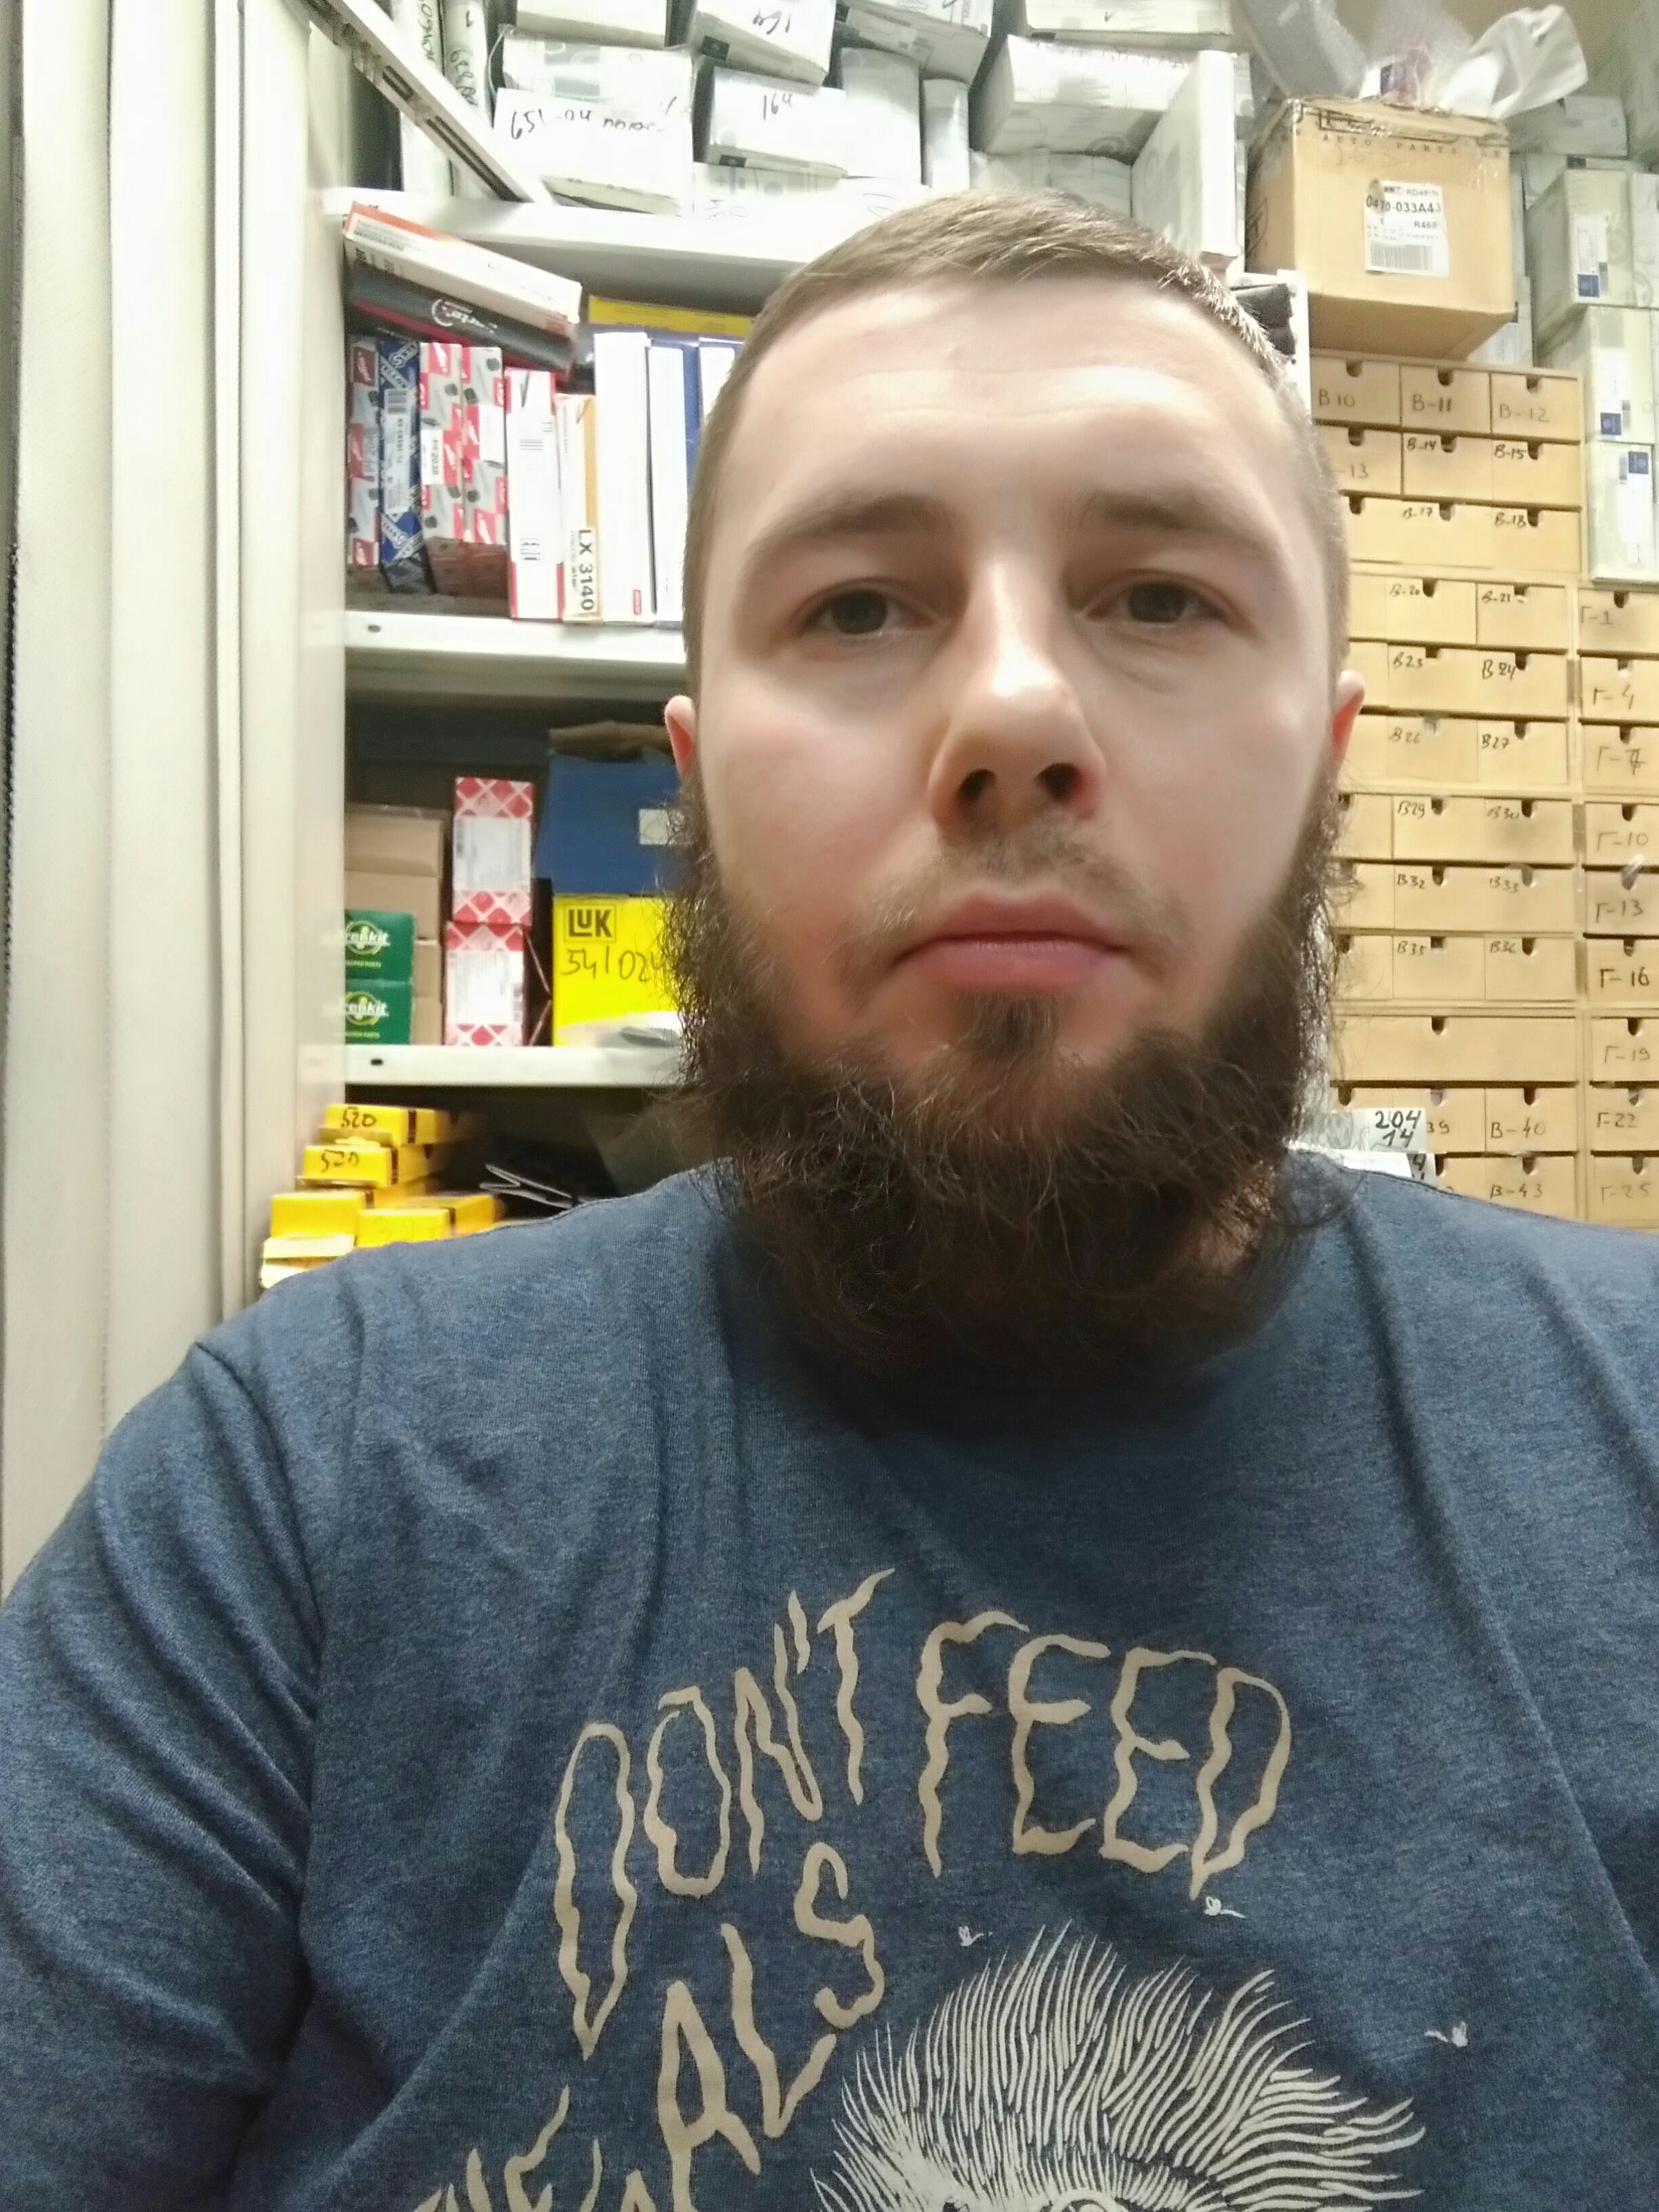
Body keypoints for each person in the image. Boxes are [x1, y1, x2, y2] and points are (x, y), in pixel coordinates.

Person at [1, 194, 1655, 2209]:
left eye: (1159, 598)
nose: (1015, 718)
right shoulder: (298, 1488)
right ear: (694, 780)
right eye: (861, 609)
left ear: (1326, 763)